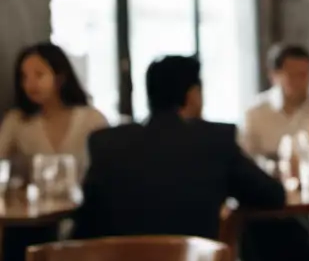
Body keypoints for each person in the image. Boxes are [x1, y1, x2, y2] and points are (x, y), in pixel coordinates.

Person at [75, 56, 286, 240]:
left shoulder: (106, 143)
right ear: (193, 95)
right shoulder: (214, 140)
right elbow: (272, 195)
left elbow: (87, 218)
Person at [0, 42, 109, 184]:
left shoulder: (92, 119)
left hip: (87, 202)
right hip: (39, 203)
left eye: (39, 75)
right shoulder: (18, 120)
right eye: (24, 77)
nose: (30, 84)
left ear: (60, 77)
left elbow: (111, 167)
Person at [241, 44, 309, 159]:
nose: (298, 81)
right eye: (291, 75)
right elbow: (246, 156)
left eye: (303, 74)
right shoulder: (255, 111)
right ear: (274, 76)